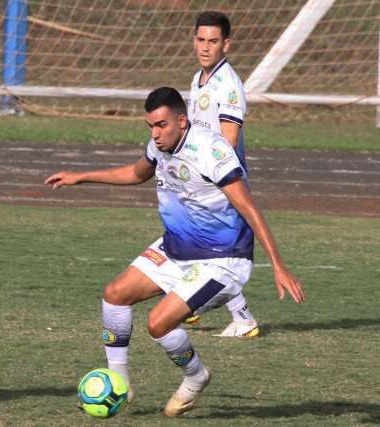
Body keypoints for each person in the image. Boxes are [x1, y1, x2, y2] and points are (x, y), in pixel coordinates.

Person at [44, 87, 304, 417]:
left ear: (182, 121)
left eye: (161, 125)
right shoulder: (159, 145)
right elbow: (138, 172)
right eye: (150, 126)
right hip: (176, 248)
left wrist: (279, 266)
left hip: (222, 258)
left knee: (159, 324)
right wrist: (82, 177)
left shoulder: (211, 150)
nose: (155, 133)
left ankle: (196, 376)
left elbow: (249, 208)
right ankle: (119, 382)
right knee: (114, 295)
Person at [185, 11, 258, 337]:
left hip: (219, 182)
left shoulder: (228, 85)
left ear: (226, 44)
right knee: (194, 246)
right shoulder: (199, 78)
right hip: (199, 179)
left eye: (213, 41)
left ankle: (230, 315)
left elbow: (227, 141)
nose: (205, 47)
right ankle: (208, 310)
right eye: (201, 40)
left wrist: (207, 174)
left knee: (211, 252)